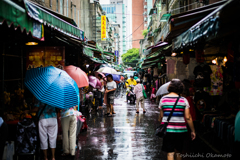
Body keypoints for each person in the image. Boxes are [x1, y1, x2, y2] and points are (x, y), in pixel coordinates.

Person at [158, 79, 196, 160]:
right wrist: (193, 130)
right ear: (180, 88)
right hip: (181, 131)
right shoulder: (183, 100)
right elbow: (188, 117)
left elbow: (161, 117)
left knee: (170, 153)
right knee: (179, 151)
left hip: (168, 131)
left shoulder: (163, 99)